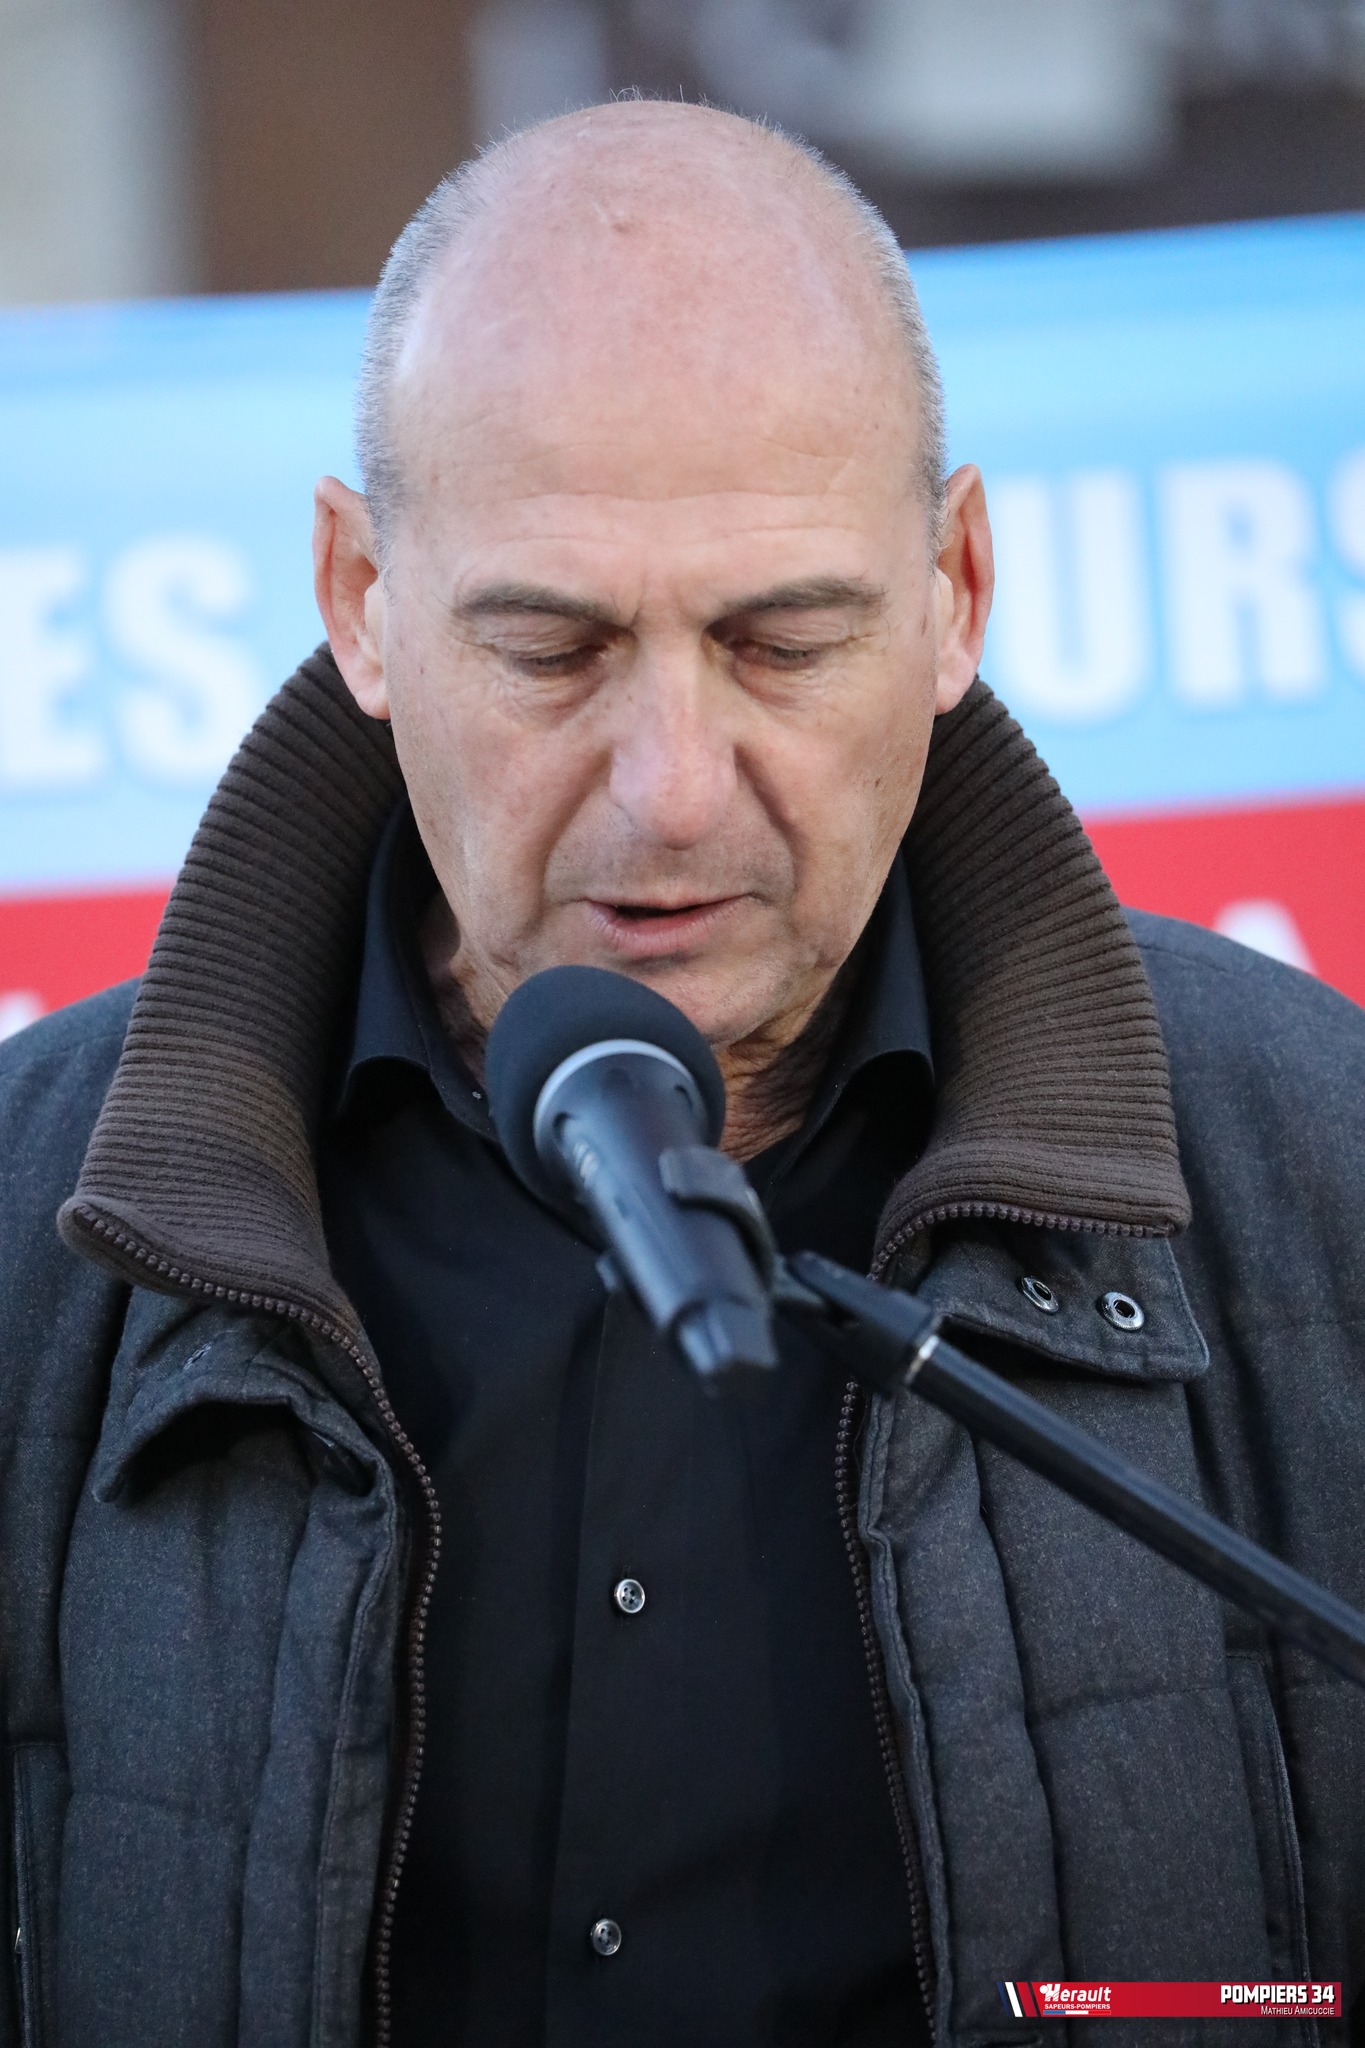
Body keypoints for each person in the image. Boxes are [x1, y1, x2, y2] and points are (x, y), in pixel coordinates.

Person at [1, 99, 1362, 2048]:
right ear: (360, 598)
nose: (670, 789)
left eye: (781, 643)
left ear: (957, 588)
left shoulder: (1319, 1167)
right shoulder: (30, 1230)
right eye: (552, 649)